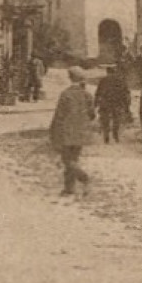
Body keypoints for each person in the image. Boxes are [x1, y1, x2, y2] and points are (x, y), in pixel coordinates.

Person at [49, 66, 94, 195]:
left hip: (67, 132)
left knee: (67, 160)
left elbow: (59, 115)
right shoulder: (87, 95)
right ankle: (69, 188)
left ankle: (84, 177)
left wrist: (53, 131)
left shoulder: (66, 94)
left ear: (70, 78)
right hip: (81, 132)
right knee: (74, 158)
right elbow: (92, 115)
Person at [94, 65, 130, 143]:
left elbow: (98, 93)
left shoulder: (103, 80)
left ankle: (106, 136)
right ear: (115, 71)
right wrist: (126, 106)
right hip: (117, 103)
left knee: (105, 119)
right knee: (116, 119)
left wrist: (95, 104)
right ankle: (115, 134)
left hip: (105, 103)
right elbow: (125, 93)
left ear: (107, 72)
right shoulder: (120, 80)